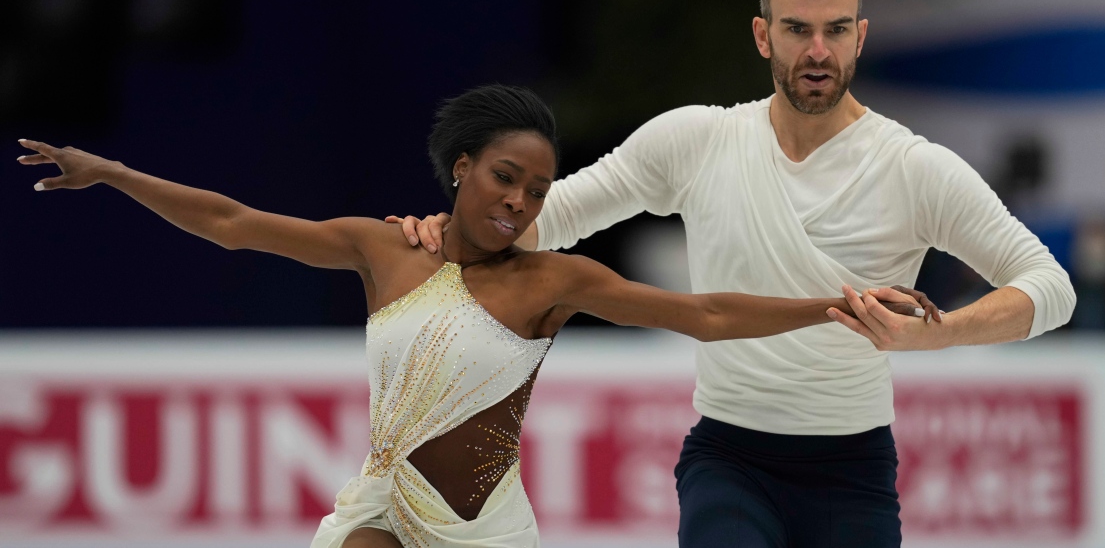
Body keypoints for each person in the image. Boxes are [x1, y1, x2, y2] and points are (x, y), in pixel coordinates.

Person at [16, 85, 932, 548]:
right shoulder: (384, 250)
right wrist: (118, 175)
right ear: (460, 167)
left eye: (536, 189)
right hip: (380, 501)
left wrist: (829, 304)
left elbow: (699, 311)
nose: (520, 202)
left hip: (482, 528)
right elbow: (231, 225)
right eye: (503, 177)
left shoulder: (551, 280)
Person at [393, 0, 1077, 548]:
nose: (817, 51)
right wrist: (455, 235)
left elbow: (1049, 288)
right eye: (796, 29)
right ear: (762, 35)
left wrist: (938, 335)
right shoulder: (697, 140)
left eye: (835, 30)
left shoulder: (913, 168)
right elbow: (556, 213)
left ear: (860, 37)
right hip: (729, 459)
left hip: (853, 468)